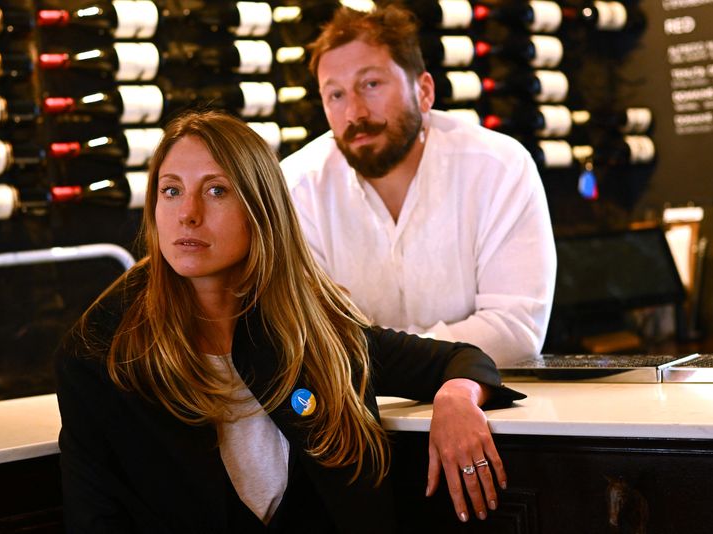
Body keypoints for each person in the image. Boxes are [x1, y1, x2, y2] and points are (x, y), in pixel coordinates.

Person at [55, 110, 525, 533]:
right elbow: (93, 517)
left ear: (262, 210)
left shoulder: (309, 329)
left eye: (216, 191)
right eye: (171, 190)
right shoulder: (100, 354)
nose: (188, 214)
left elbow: (460, 360)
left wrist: (459, 398)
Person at [281, 4, 557, 366]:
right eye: (336, 95)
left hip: (485, 403)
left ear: (424, 91)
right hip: (355, 413)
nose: (355, 113)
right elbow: (309, 335)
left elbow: (514, 332)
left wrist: (384, 357)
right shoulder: (297, 187)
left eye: (371, 84)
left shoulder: (499, 168)